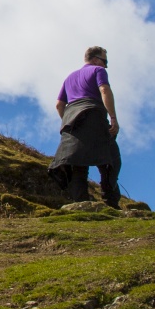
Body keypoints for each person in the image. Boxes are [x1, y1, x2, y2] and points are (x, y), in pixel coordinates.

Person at [48, 46, 122, 208]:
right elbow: (104, 90)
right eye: (105, 61)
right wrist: (113, 118)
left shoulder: (69, 77)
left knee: (78, 165)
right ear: (95, 59)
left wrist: (69, 120)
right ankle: (110, 203)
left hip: (71, 122)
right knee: (111, 160)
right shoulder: (98, 71)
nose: (106, 66)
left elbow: (59, 105)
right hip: (93, 116)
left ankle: (80, 204)